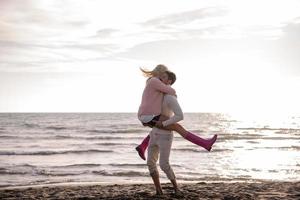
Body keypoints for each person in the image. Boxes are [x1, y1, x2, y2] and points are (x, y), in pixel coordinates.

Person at [137, 65, 217, 160]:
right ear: (160, 73)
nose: (163, 77)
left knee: (163, 127)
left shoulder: (152, 81)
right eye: (163, 75)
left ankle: (142, 146)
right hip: (148, 115)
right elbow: (171, 90)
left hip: (148, 114)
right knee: (177, 127)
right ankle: (205, 143)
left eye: (165, 76)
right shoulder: (154, 81)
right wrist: (172, 92)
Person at [146, 71, 183, 195]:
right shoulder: (157, 96)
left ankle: (176, 188)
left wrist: (164, 124)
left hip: (165, 136)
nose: (161, 78)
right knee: (150, 163)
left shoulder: (170, 97)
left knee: (163, 164)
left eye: (164, 77)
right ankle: (158, 190)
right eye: (160, 77)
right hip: (154, 133)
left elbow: (180, 115)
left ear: (169, 82)